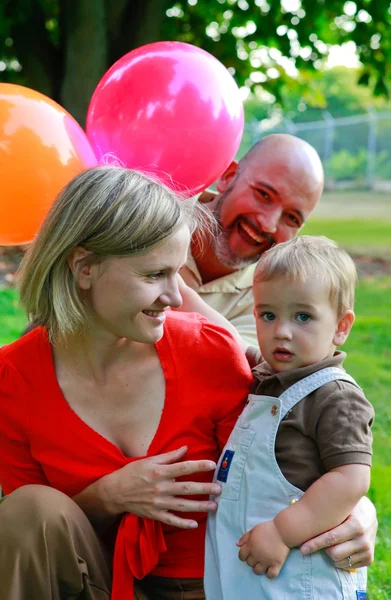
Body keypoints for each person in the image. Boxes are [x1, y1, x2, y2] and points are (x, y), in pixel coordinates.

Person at [0, 166, 254, 600]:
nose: (175, 297)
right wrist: (107, 496)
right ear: (84, 267)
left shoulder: (209, 351)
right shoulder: (13, 379)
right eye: (154, 275)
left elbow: (285, 468)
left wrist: (353, 510)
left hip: (217, 585)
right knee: (29, 510)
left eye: (177, 272)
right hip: (94, 584)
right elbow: (31, 543)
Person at [204, 236, 374, 599]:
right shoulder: (271, 378)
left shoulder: (334, 396)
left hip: (302, 576)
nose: (281, 330)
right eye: (268, 315)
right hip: (257, 573)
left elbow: (351, 478)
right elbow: (226, 339)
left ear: (341, 327)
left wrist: (283, 531)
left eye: (303, 316)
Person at [180, 133, 325, 347]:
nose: (268, 224)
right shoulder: (148, 213)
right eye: (263, 195)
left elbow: (231, 364)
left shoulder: (274, 295)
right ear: (228, 176)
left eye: (291, 218)